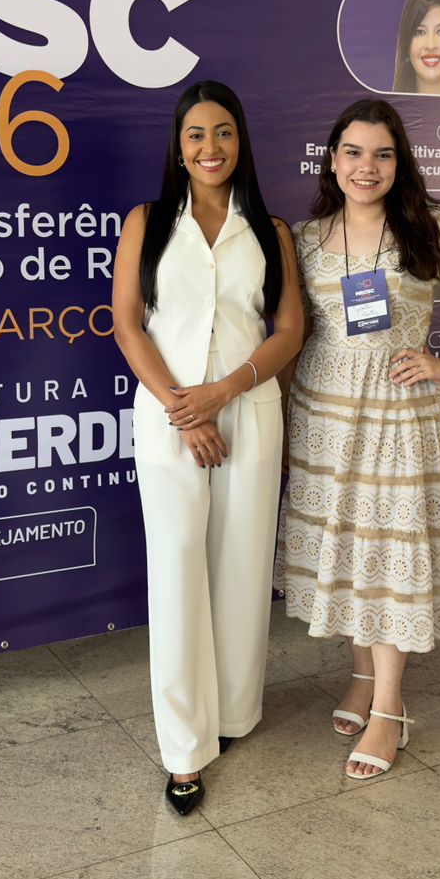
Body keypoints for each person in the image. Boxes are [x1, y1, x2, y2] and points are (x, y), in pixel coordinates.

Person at [276, 100, 440, 781]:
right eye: (353, 152)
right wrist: (283, 413)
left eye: (382, 154)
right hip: (324, 418)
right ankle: (360, 678)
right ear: (332, 159)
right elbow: (293, 332)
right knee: (348, 551)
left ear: (399, 162)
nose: (366, 167)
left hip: (401, 416)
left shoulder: (427, 225)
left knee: (388, 554)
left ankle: (389, 708)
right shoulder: (304, 238)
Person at [112, 81, 302, 814]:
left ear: (240, 140)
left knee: (242, 566)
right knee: (178, 569)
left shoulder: (271, 231)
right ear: (179, 146)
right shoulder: (148, 222)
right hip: (169, 417)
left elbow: (289, 329)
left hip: (250, 410)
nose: (210, 147)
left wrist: (223, 393)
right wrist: (185, 409)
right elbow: (128, 324)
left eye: (223, 132)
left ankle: (231, 714)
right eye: (196, 134)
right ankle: (184, 749)